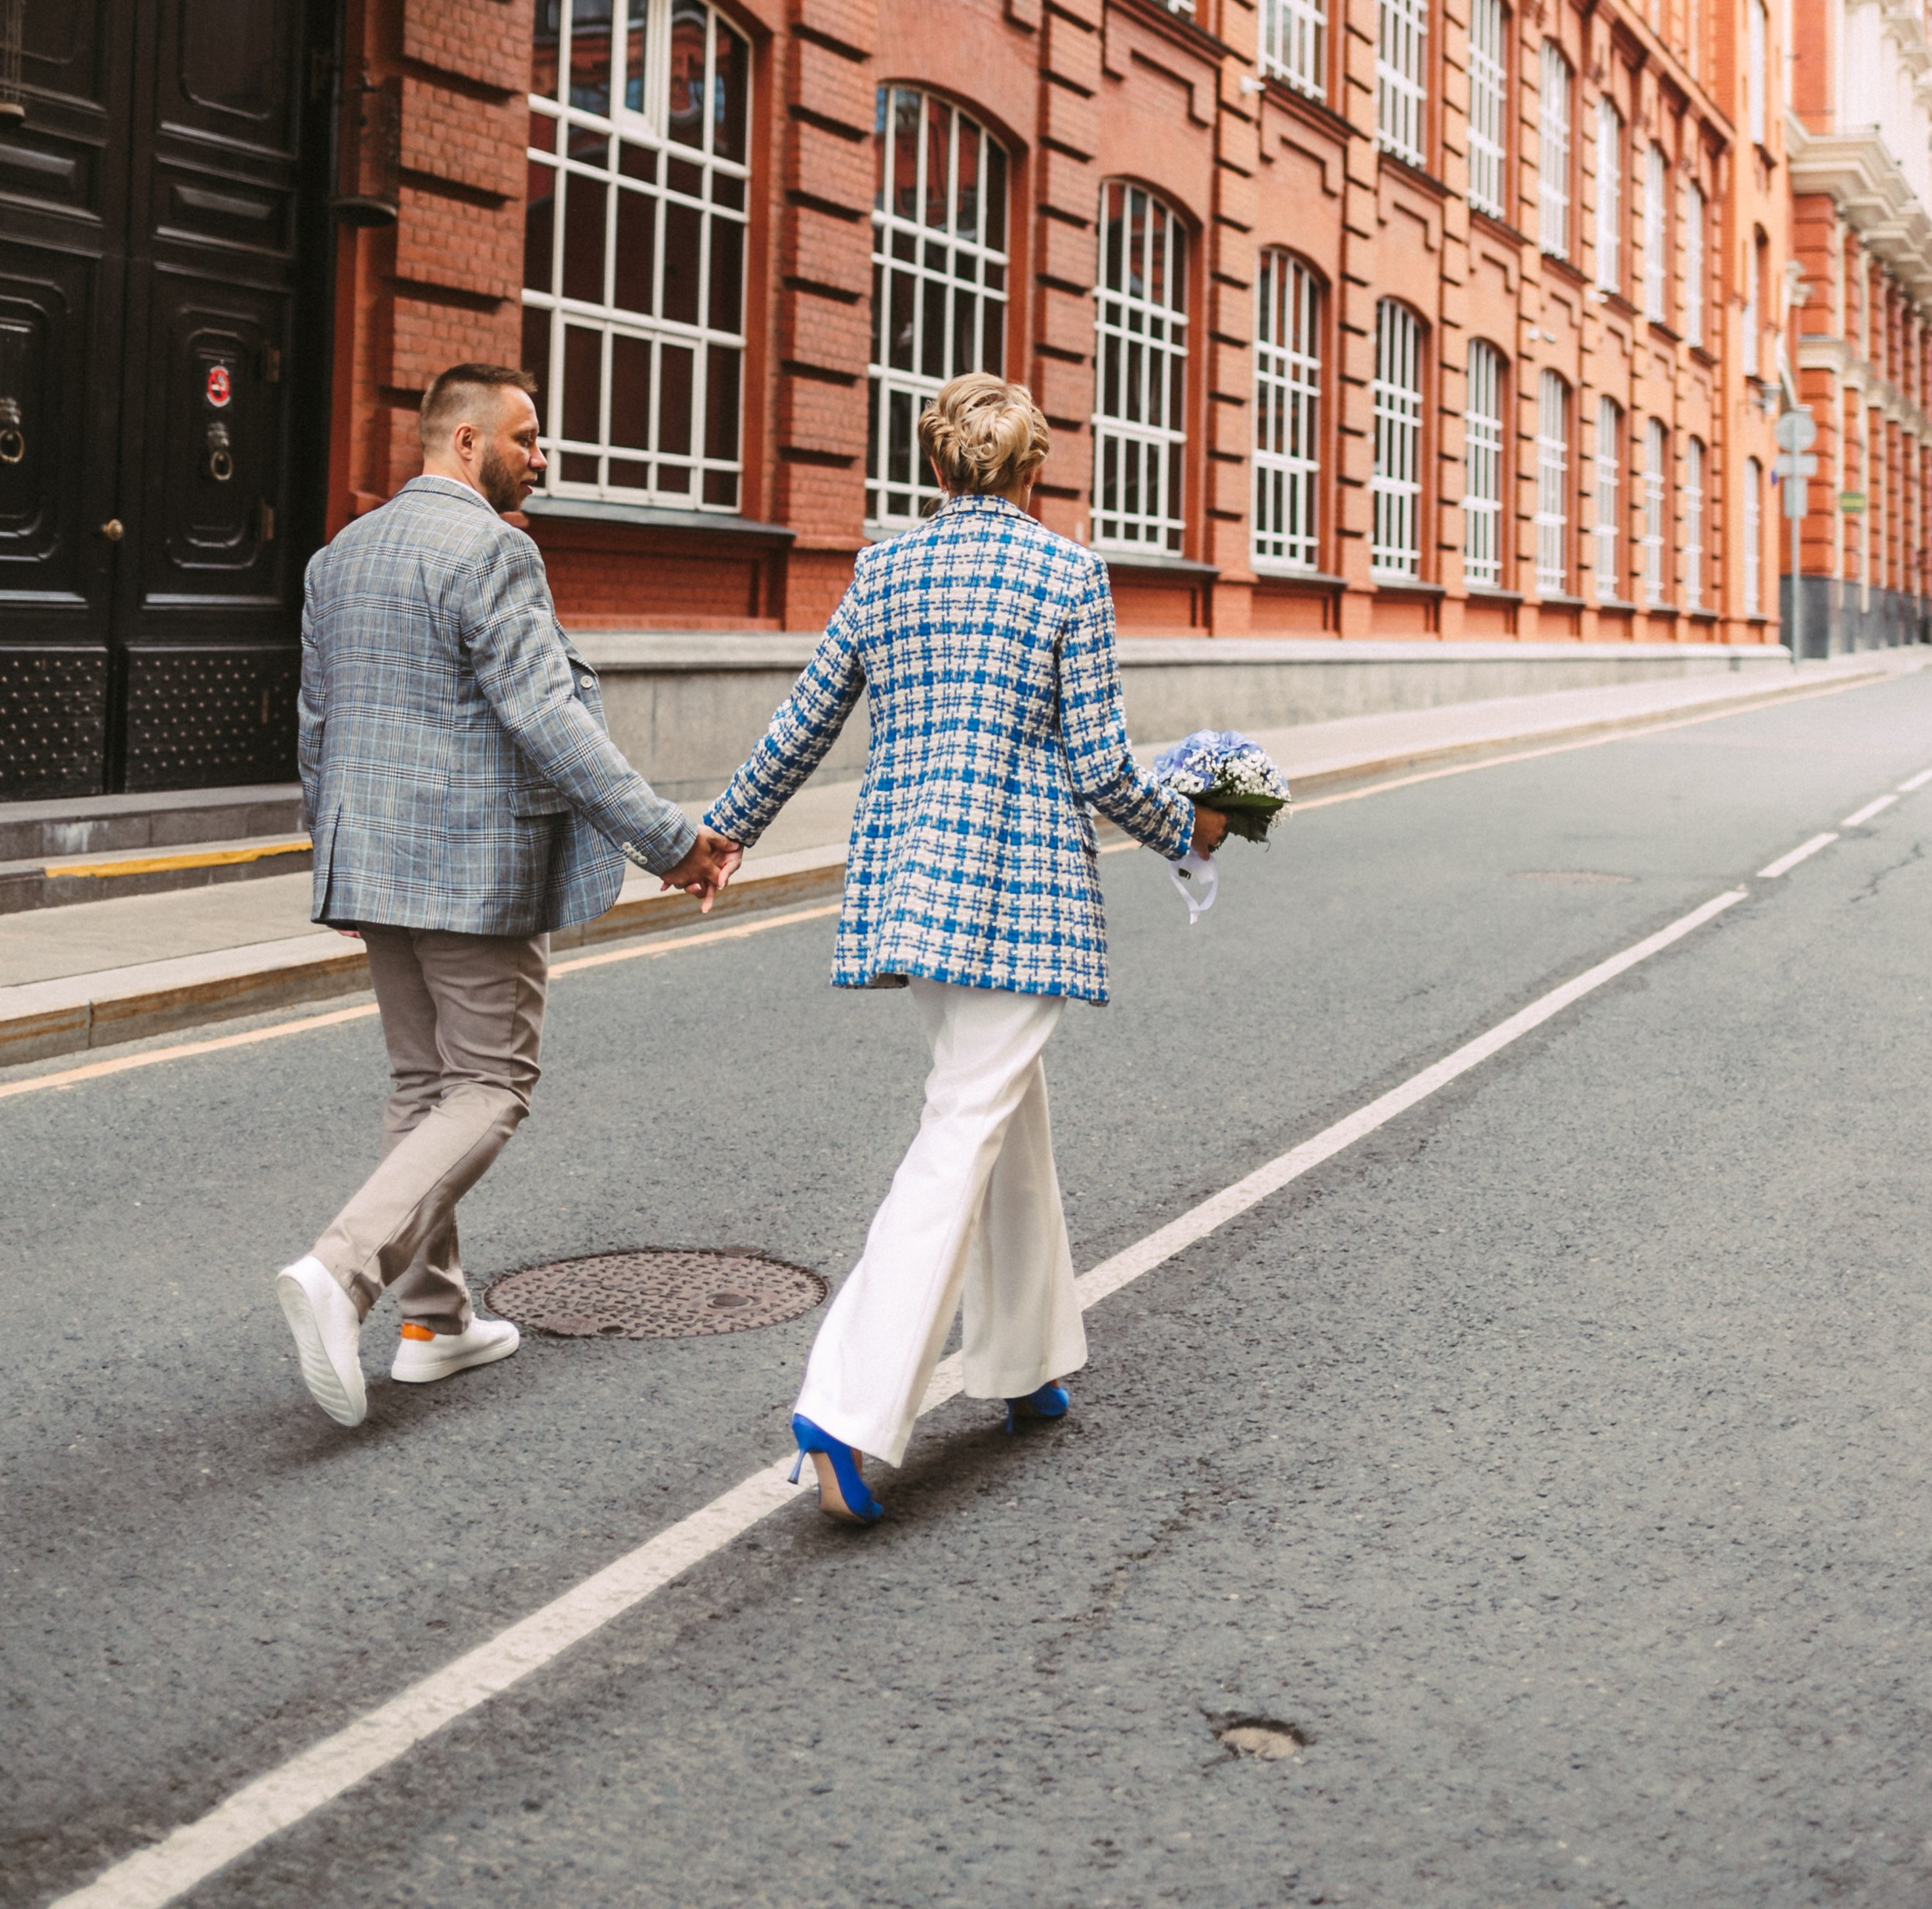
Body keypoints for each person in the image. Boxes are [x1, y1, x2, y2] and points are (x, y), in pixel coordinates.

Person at [705, 373, 1225, 1524]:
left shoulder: (884, 569)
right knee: (961, 1129)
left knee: (1000, 1111)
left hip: (915, 888)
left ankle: (1024, 1359)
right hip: (1023, 895)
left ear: (935, 470)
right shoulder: (1067, 572)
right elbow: (1097, 767)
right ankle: (845, 1408)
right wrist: (1190, 823)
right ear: (1032, 470)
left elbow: (807, 718)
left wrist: (724, 830)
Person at [275, 362, 738, 1428]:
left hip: (372, 856)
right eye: (528, 437)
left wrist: (331, 855)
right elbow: (550, 720)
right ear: (466, 442)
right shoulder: (493, 548)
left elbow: (317, 723)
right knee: (490, 1086)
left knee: (421, 1083)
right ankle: (343, 1273)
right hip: (472, 861)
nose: (544, 457)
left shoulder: (339, 556)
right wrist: (672, 840)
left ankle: (434, 1321)